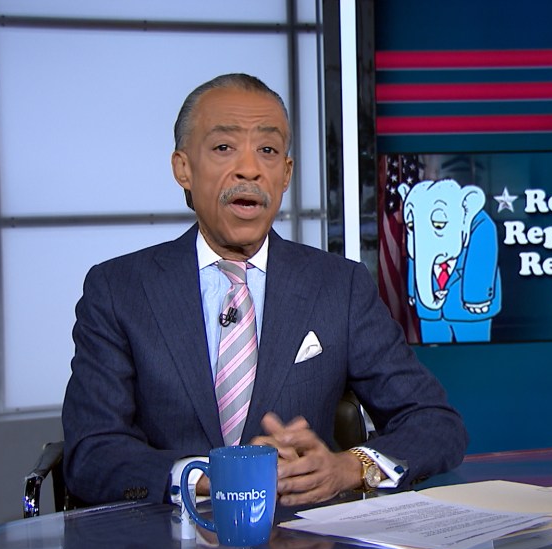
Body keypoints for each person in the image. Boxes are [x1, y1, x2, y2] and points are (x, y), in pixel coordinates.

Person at [62, 73, 468, 507]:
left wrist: (349, 468)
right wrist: (208, 477)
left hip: (304, 534)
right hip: (169, 534)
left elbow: (435, 424)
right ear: (183, 168)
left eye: (268, 151)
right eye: (224, 147)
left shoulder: (339, 286)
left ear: (286, 174)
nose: (250, 169)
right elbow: (92, 453)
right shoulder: (119, 290)